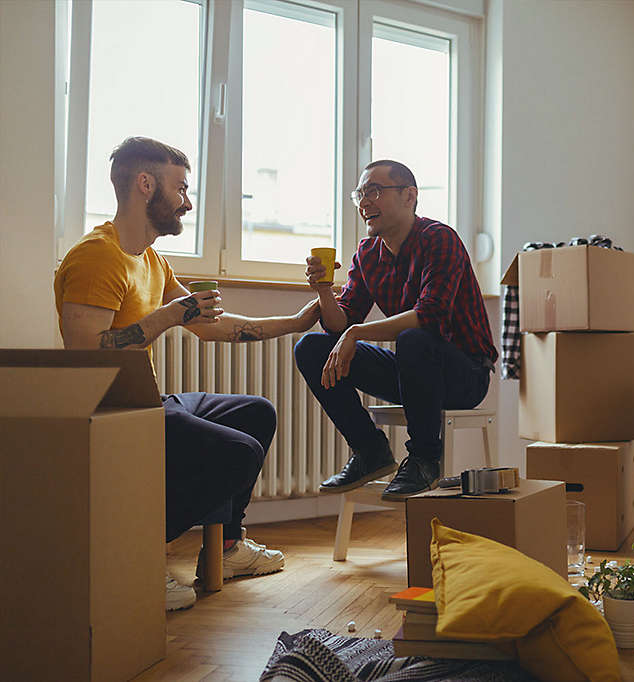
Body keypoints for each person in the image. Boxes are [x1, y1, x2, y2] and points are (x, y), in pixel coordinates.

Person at [54, 137, 321, 611]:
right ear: (145, 184)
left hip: (149, 402)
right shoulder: (96, 257)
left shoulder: (152, 260)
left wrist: (299, 322)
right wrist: (168, 316)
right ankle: (128, 559)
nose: (188, 201)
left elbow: (212, 326)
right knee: (240, 452)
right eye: (180, 188)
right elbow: (85, 356)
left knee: (255, 413)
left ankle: (228, 548)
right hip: (109, 413)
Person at [294, 160, 497, 501]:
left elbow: (429, 315)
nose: (364, 203)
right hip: (413, 374)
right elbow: (340, 323)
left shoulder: (438, 238)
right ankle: (370, 450)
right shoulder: (367, 253)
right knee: (312, 347)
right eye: (360, 193)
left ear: (409, 196)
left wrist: (355, 334)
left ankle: (423, 459)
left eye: (374, 191)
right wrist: (325, 290)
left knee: (414, 338)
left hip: (465, 374)